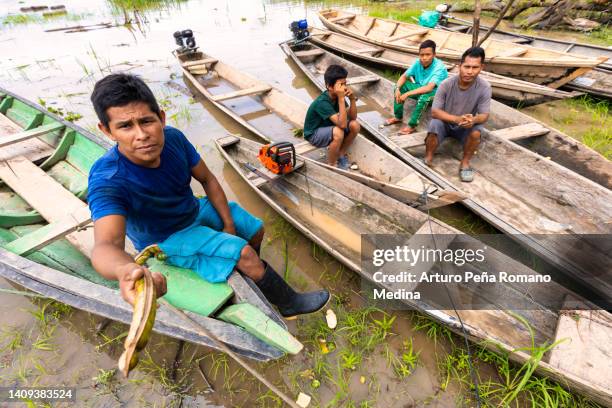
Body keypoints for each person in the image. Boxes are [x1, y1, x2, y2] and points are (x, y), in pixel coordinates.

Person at [87, 73, 329, 318]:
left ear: (161, 117)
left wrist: (229, 223)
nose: (141, 135)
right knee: (243, 252)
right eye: (125, 126)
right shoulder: (108, 179)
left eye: (146, 121)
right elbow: (106, 246)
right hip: (167, 237)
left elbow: (208, 179)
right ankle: (288, 303)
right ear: (107, 131)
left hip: (194, 209)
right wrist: (125, 271)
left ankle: (253, 274)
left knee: (255, 229)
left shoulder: (174, 139)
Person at [425, 47, 491, 182]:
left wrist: (473, 119)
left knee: (476, 132)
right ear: (459, 66)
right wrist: (456, 119)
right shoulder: (446, 84)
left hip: (465, 126)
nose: (470, 71)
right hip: (446, 123)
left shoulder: (485, 87)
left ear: (481, 68)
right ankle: (429, 156)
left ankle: (465, 162)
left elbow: (484, 115)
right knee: (434, 124)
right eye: (466, 66)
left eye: (475, 67)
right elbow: (435, 112)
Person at [303, 64, 360, 170]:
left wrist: (352, 99)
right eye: (340, 84)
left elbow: (353, 117)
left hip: (330, 127)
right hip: (314, 134)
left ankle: (340, 154)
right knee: (339, 132)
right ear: (329, 86)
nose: (344, 87)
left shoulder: (338, 96)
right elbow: (342, 125)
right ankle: (331, 164)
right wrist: (341, 99)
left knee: (355, 125)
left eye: (345, 84)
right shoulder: (322, 102)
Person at [386, 40, 448, 135]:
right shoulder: (417, 63)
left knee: (424, 97)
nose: (424, 58)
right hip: (421, 87)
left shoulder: (439, 67)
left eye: (428, 54)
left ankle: (412, 125)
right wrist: (398, 89)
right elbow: (404, 76)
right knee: (399, 87)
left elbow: (429, 88)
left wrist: (407, 94)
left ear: (434, 54)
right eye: (422, 55)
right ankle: (398, 117)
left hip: (436, 93)